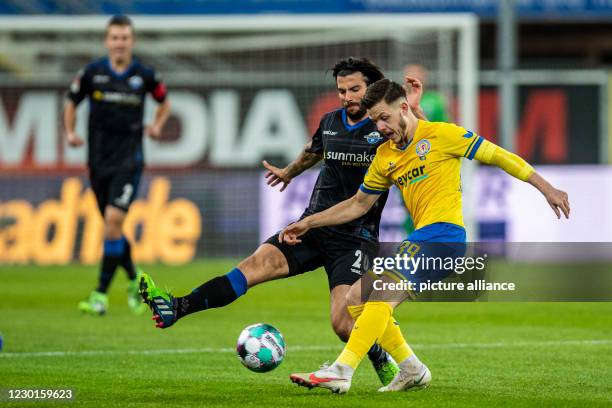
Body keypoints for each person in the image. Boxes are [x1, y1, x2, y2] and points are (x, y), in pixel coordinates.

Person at [138, 57, 426, 386]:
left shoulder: (383, 128)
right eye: (341, 90)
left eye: (354, 90)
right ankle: (177, 306)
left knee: (343, 323)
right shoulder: (331, 120)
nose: (346, 97)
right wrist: (290, 171)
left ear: (373, 89)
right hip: (313, 228)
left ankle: (382, 358)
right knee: (252, 265)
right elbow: (314, 150)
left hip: (355, 240)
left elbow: (420, 143)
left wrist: (414, 111)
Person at [283, 78, 570, 394]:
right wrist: (310, 222)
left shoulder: (443, 134)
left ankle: (341, 370)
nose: (380, 127)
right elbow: (357, 204)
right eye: (375, 121)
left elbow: (500, 156)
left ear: (403, 108)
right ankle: (411, 369)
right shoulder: (385, 157)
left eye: (385, 118)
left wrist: (547, 188)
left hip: (445, 236)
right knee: (355, 298)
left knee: (378, 293)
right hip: (422, 237)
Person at [64, 15, 171, 316]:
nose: (119, 43)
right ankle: (133, 277)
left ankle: (99, 294)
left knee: (112, 222)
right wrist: (70, 133)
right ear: (107, 41)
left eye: (124, 37)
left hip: (129, 160)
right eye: (115, 37)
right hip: (98, 162)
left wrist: (157, 126)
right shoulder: (92, 73)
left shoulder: (145, 75)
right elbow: (71, 102)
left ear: (131, 41)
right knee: (113, 228)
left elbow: (165, 101)